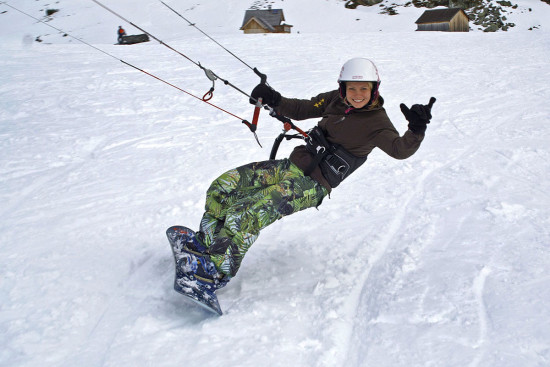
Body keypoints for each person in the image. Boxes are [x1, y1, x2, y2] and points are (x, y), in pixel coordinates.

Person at [171, 58, 436, 302]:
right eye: (352, 89)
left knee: (248, 215)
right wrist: (273, 98)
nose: (357, 95)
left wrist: (416, 129)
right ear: (343, 88)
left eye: (363, 89)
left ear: (374, 90)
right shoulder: (335, 100)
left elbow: (400, 150)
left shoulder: (377, 122)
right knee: (224, 185)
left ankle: (213, 273)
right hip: (293, 166)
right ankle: (205, 244)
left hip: (313, 185)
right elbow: (301, 108)